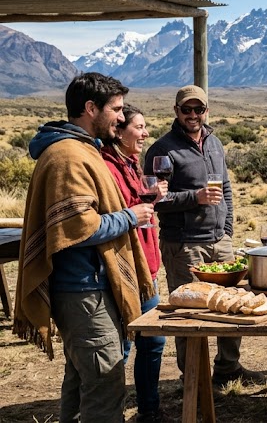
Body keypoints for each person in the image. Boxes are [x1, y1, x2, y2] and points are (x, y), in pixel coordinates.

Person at [13, 73, 156, 422]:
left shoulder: (79, 149)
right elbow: (78, 227)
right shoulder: (68, 156)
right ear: (91, 108)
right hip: (83, 291)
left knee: (81, 382)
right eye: (116, 110)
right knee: (105, 386)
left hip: (88, 287)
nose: (121, 118)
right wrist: (129, 217)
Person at [144, 85, 264, 387]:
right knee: (187, 312)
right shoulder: (162, 150)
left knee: (232, 305)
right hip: (184, 245)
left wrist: (227, 231)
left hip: (219, 242)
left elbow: (225, 190)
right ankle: (193, 379)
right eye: (187, 110)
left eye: (199, 109)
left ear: (206, 111)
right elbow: (155, 200)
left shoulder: (215, 143)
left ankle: (228, 367)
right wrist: (194, 197)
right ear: (176, 112)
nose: (193, 115)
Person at [101, 104, 168, 423]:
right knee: (124, 346)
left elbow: (139, 208)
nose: (145, 133)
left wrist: (151, 197)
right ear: (119, 130)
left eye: (145, 127)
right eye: (138, 127)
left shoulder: (131, 165)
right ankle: (106, 411)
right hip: (126, 269)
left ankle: (148, 409)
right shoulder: (107, 167)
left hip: (147, 269)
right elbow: (116, 212)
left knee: (153, 339)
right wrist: (146, 201)